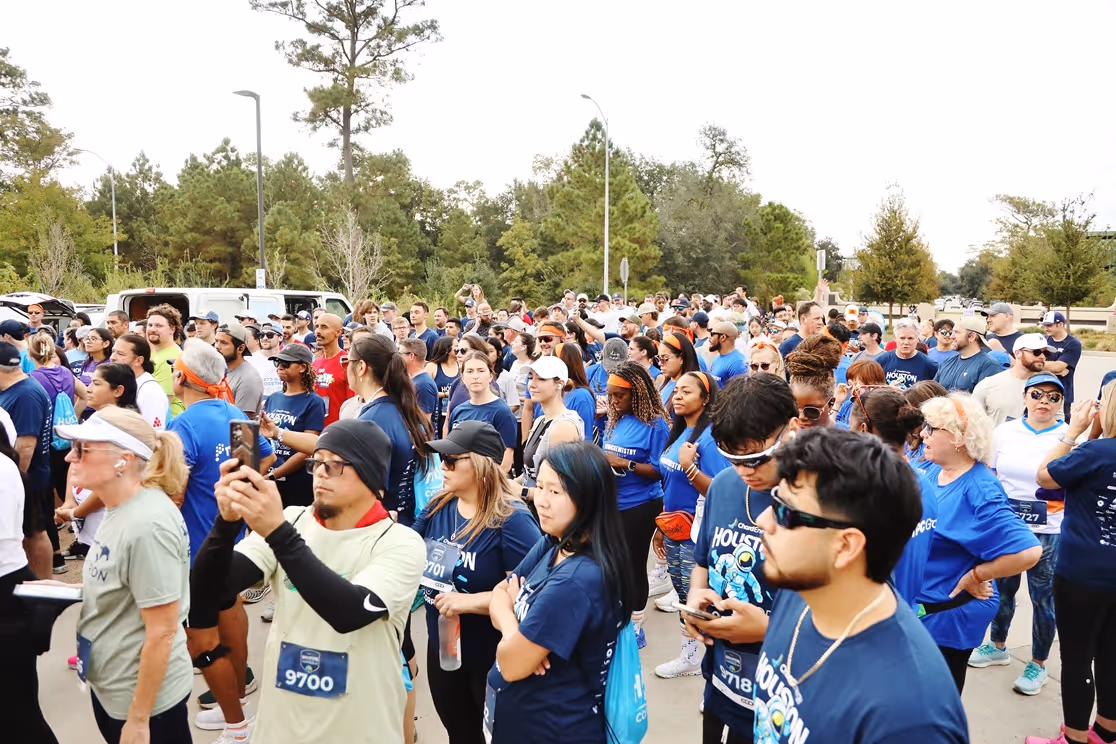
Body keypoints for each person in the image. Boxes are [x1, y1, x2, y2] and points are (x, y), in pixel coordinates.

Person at [190, 419, 425, 744]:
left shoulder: (399, 542)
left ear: (371, 475)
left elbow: (350, 612)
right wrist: (227, 521)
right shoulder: (292, 520)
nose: (321, 475)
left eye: (335, 465)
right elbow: (209, 593)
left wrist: (277, 534)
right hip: (279, 731)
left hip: (360, 731)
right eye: (317, 464)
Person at [751, 427, 970, 744]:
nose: (763, 521)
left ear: (845, 546)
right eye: (774, 500)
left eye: (785, 513)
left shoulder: (909, 717)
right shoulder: (801, 588)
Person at [54, 407, 194, 744]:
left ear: (123, 459)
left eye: (82, 449)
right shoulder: (120, 507)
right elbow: (124, 581)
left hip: (144, 702)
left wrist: (139, 719)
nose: (69, 458)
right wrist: (70, 589)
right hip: (115, 686)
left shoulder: (148, 524)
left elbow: (162, 630)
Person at [485, 441, 633, 743]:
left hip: (554, 728)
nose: (541, 500)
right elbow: (499, 592)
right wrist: (516, 631)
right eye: (539, 486)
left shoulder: (576, 579)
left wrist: (512, 630)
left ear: (588, 497)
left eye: (555, 491)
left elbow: (512, 664)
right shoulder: (556, 541)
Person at [167, 339, 275, 738]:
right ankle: (240, 702)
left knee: (201, 640)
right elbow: (264, 458)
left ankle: (236, 725)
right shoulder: (232, 412)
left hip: (197, 551)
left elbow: (173, 493)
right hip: (234, 542)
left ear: (181, 377)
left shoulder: (184, 425)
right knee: (232, 616)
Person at [412, 422, 542, 744]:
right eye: (442, 459)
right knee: (458, 733)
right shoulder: (438, 506)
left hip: (488, 655)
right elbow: (407, 550)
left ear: (482, 465)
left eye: (452, 460)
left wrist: (469, 602)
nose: (443, 466)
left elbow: (536, 590)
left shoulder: (512, 520)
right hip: (443, 647)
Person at [681, 373, 794, 741]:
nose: (746, 470)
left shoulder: (823, 504)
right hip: (721, 678)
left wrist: (768, 630)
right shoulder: (725, 486)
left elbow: (848, 621)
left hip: (786, 692)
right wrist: (696, 597)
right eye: (733, 457)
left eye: (757, 458)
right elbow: (703, 562)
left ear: (790, 429)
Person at [915, 393, 1043, 692]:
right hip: (921, 606)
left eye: (932, 428)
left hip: (946, 618)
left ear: (959, 437)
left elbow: (1029, 551)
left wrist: (977, 575)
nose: (923, 433)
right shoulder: (934, 470)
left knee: (934, 705)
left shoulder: (981, 490)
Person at [966, 373, 1068, 697]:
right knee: (1002, 591)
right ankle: (998, 646)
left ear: (1061, 404)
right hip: (1008, 527)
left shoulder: (1069, 437)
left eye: (1054, 398)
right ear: (1024, 397)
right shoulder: (1005, 432)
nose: (1044, 402)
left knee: (1043, 599)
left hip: (1049, 531)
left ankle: (1037, 663)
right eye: (1037, 394)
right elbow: (989, 473)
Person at [1027, 391, 1116, 744]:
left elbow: (1045, 476)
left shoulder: (1096, 453)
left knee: (1078, 657)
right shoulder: (1096, 453)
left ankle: (1075, 737)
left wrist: (1074, 432)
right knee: (1112, 652)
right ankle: (1107, 731)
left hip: (1084, 571)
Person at [652, 371, 730, 680]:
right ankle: (694, 657)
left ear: (706, 398)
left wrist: (689, 466)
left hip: (695, 535)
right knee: (685, 596)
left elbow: (718, 491)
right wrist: (661, 526)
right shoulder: (682, 431)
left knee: (694, 600)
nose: (678, 396)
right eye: (677, 391)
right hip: (674, 529)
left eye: (687, 391)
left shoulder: (709, 439)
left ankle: (699, 661)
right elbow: (668, 483)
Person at [846, 385, 937, 606]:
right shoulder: (923, 482)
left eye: (851, 429)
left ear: (864, 429)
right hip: (905, 612)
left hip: (872, 618)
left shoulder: (867, 490)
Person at [602, 361, 670, 647]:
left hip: (641, 506)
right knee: (613, 564)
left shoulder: (656, 425)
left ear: (637, 393)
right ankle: (618, 616)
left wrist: (625, 463)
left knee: (633, 565)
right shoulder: (617, 419)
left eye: (620, 396)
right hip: (611, 504)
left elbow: (660, 470)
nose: (614, 402)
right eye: (611, 395)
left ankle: (636, 626)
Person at [0, 341, 54, 578]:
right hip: (26, 476)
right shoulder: (21, 387)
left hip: (29, 477)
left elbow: (27, 444)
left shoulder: (26, 394)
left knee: (35, 533)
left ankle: (43, 587)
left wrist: (16, 480)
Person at [262, 344, 325, 509]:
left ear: (303, 367)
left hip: (297, 481)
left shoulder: (313, 401)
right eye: (278, 363)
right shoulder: (273, 398)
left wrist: (276, 474)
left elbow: (308, 448)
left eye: (286, 363)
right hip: (269, 476)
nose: (280, 367)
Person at [519, 356, 583, 495]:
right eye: (530, 377)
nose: (532, 384)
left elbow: (559, 489)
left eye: (541, 379)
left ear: (559, 384)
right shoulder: (539, 420)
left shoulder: (564, 426)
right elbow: (528, 474)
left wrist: (522, 492)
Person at [448, 351, 517, 473]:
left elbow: (506, 461)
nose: (475, 376)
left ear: (491, 376)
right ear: (463, 377)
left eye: (481, 370)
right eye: (470, 371)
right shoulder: (458, 411)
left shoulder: (502, 412)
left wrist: (486, 483)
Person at [972, 333, 1054, 426]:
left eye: (1046, 353)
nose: (1042, 357)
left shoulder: (1051, 385)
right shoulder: (988, 385)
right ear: (1018, 353)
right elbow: (974, 425)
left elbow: (1058, 423)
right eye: (1037, 352)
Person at [109, 333, 169, 430]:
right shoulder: (124, 383)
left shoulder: (149, 390)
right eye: (113, 352)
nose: (112, 357)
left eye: (120, 354)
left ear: (138, 360)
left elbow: (154, 435)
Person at [933, 316, 1003, 393]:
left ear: (972, 337)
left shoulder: (989, 365)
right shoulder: (947, 362)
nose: (951, 336)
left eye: (956, 332)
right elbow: (933, 392)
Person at [786, 334, 842, 429]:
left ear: (831, 403)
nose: (802, 417)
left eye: (811, 411)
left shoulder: (849, 441)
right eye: (795, 408)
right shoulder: (785, 438)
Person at [1041, 311, 1082, 422]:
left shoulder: (1073, 344)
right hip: (1041, 391)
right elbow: (1056, 368)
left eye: (1049, 325)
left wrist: (1040, 366)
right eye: (1045, 325)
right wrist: (1054, 369)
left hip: (1062, 393)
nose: (1046, 328)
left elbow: (1058, 367)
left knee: (1062, 428)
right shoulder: (1043, 340)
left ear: (1060, 324)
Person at [216, 324, 264, 418]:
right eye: (216, 341)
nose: (217, 346)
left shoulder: (249, 378)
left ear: (240, 348)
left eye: (223, 343)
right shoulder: (217, 371)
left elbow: (241, 423)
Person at [875, 318, 938, 389]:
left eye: (910, 338)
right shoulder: (881, 361)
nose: (906, 342)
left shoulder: (929, 365)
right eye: (902, 338)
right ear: (895, 338)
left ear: (917, 339)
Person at [311, 313, 350, 427]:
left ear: (338, 332)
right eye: (317, 326)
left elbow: (353, 403)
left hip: (338, 430)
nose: (318, 331)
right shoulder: (315, 363)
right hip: (315, 429)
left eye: (324, 327)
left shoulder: (347, 363)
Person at [146, 304, 185, 416]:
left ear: (172, 329)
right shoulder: (156, 354)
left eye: (159, 326)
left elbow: (163, 401)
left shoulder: (172, 357)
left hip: (167, 423)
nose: (152, 329)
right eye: (150, 325)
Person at [400, 338, 439, 426]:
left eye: (400, 354)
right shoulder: (415, 380)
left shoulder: (423, 385)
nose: (398, 357)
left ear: (411, 356)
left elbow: (425, 423)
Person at [425, 336, 459, 438]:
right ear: (447, 350)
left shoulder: (461, 366)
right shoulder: (433, 367)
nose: (459, 349)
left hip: (454, 414)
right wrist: (445, 394)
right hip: (435, 415)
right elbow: (425, 391)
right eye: (456, 346)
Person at [78, 327, 114, 406]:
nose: (88, 341)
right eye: (87, 338)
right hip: (84, 408)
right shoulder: (86, 363)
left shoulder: (111, 365)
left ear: (106, 343)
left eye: (93, 339)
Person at [708, 321, 747, 386]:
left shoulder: (737, 363)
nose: (709, 338)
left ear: (723, 337)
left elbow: (739, 393)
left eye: (712, 334)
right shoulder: (718, 358)